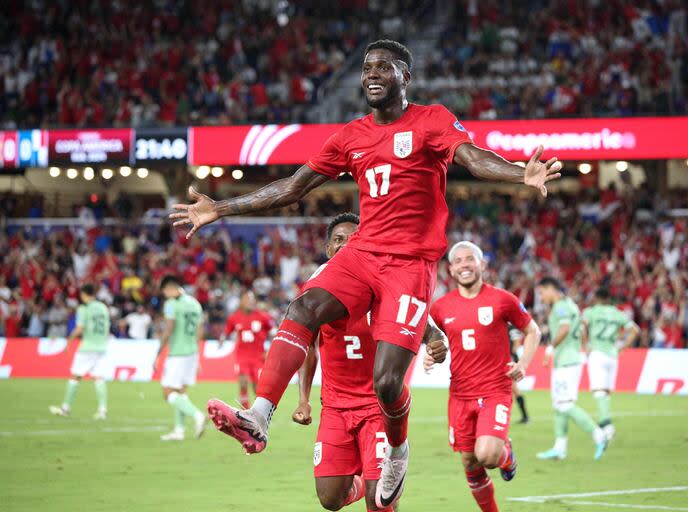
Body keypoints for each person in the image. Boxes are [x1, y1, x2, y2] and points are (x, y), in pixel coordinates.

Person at [170, 39, 561, 506]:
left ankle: (397, 448)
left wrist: (521, 174)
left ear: (405, 76)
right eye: (366, 67)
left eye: (384, 67)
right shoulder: (350, 135)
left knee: (388, 382)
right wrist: (221, 208)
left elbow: (473, 158)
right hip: (363, 254)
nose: (372, 74)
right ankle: (259, 414)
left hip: (409, 265)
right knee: (304, 306)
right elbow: (294, 187)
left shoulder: (432, 119)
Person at [291, 212, 448, 512]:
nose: (346, 245)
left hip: (377, 408)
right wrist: (303, 400)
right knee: (329, 499)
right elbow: (308, 346)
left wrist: (436, 343)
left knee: (379, 503)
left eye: (353, 239)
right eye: (338, 240)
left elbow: (426, 327)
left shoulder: (384, 285)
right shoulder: (316, 291)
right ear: (328, 249)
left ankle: (380, 484)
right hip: (335, 407)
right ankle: (365, 482)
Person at [430, 242, 541, 512]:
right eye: (458, 261)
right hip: (459, 394)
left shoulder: (503, 299)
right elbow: (431, 340)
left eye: (470, 259)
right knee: (470, 463)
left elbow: (533, 331)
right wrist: (429, 353)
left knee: (487, 455)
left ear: (482, 265)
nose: (464, 265)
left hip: (495, 391)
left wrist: (524, 364)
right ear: (451, 269)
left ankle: (506, 455)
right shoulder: (441, 307)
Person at [535, 277, 607, 461]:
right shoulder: (571, 305)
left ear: (551, 289)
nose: (541, 298)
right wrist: (584, 346)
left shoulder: (560, 306)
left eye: (542, 293)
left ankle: (599, 434)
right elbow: (582, 327)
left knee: (564, 404)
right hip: (571, 358)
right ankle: (560, 448)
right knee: (559, 405)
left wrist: (550, 348)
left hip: (566, 361)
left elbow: (565, 327)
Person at [581, 287, 639, 441]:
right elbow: (634, 330)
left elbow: (582, 328)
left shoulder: (590, 312)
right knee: (605, 392)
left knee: (599, 391)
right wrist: (623, 347)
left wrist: (586, 345)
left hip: (597, 353)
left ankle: (606, 425)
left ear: (597, 298)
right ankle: (605, 422)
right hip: (612, 355)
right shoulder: (618, 313)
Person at [155, 275, 206, 441]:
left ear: (169, 288)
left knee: (168, 392)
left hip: (177, 353)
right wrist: (197, 356)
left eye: (164, 291)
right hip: (191, 352)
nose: (165, 295)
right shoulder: (195, 303)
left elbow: (169, 328)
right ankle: (179, 430)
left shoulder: (171, 304)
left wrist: (157, 353)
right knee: (180, 391)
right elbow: (200, 331)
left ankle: (197, 415)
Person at [50, 284, 111, 420]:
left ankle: (65, 408)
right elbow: (107, 329)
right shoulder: (103, 308)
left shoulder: (84, 308)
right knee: (99, 378)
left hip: (87, 347)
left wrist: (68, 342)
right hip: (101, 347)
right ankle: (102, 410)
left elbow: (79, 328)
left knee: (75, 377)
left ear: (83, 294)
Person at [220, 291, 275, 408]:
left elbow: (273, 330)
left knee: (258, 387)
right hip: (242, 356)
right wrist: (222, 338)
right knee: (243, 381)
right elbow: (227, 330)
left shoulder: (262, 316)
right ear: (242, 302)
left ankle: (259, 409)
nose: (250, 302)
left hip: (259, 356)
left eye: (252, 299)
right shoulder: (234, 317)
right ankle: (245, 409)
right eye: (247, 299)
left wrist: (272, 344)